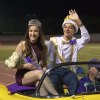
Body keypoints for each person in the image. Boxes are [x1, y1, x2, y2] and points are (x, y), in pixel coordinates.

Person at [5, 19, 58, 96]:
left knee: (41, 85)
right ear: (28, 32)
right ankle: (57, 95)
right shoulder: (22, 45)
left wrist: (44, 68)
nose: (33, 33)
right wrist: (26, 66)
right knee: (40, 73)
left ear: (39, 33)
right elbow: (13, 65)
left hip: (37, 75)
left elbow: (44, 65)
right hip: (23, 77)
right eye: (31, 31)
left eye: (35, 31)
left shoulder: (44, 47)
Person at [48, 9, 90, 95]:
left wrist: (79, 22)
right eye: (65, 27)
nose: (67, 29)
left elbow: (86, 37)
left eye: (70, 27)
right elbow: (43, 51)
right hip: (55, 70)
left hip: (68, 71)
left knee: (74, 82)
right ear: (63, 28)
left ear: (74, 31)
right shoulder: (54, 41)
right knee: (52, 84)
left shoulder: (76, 43)